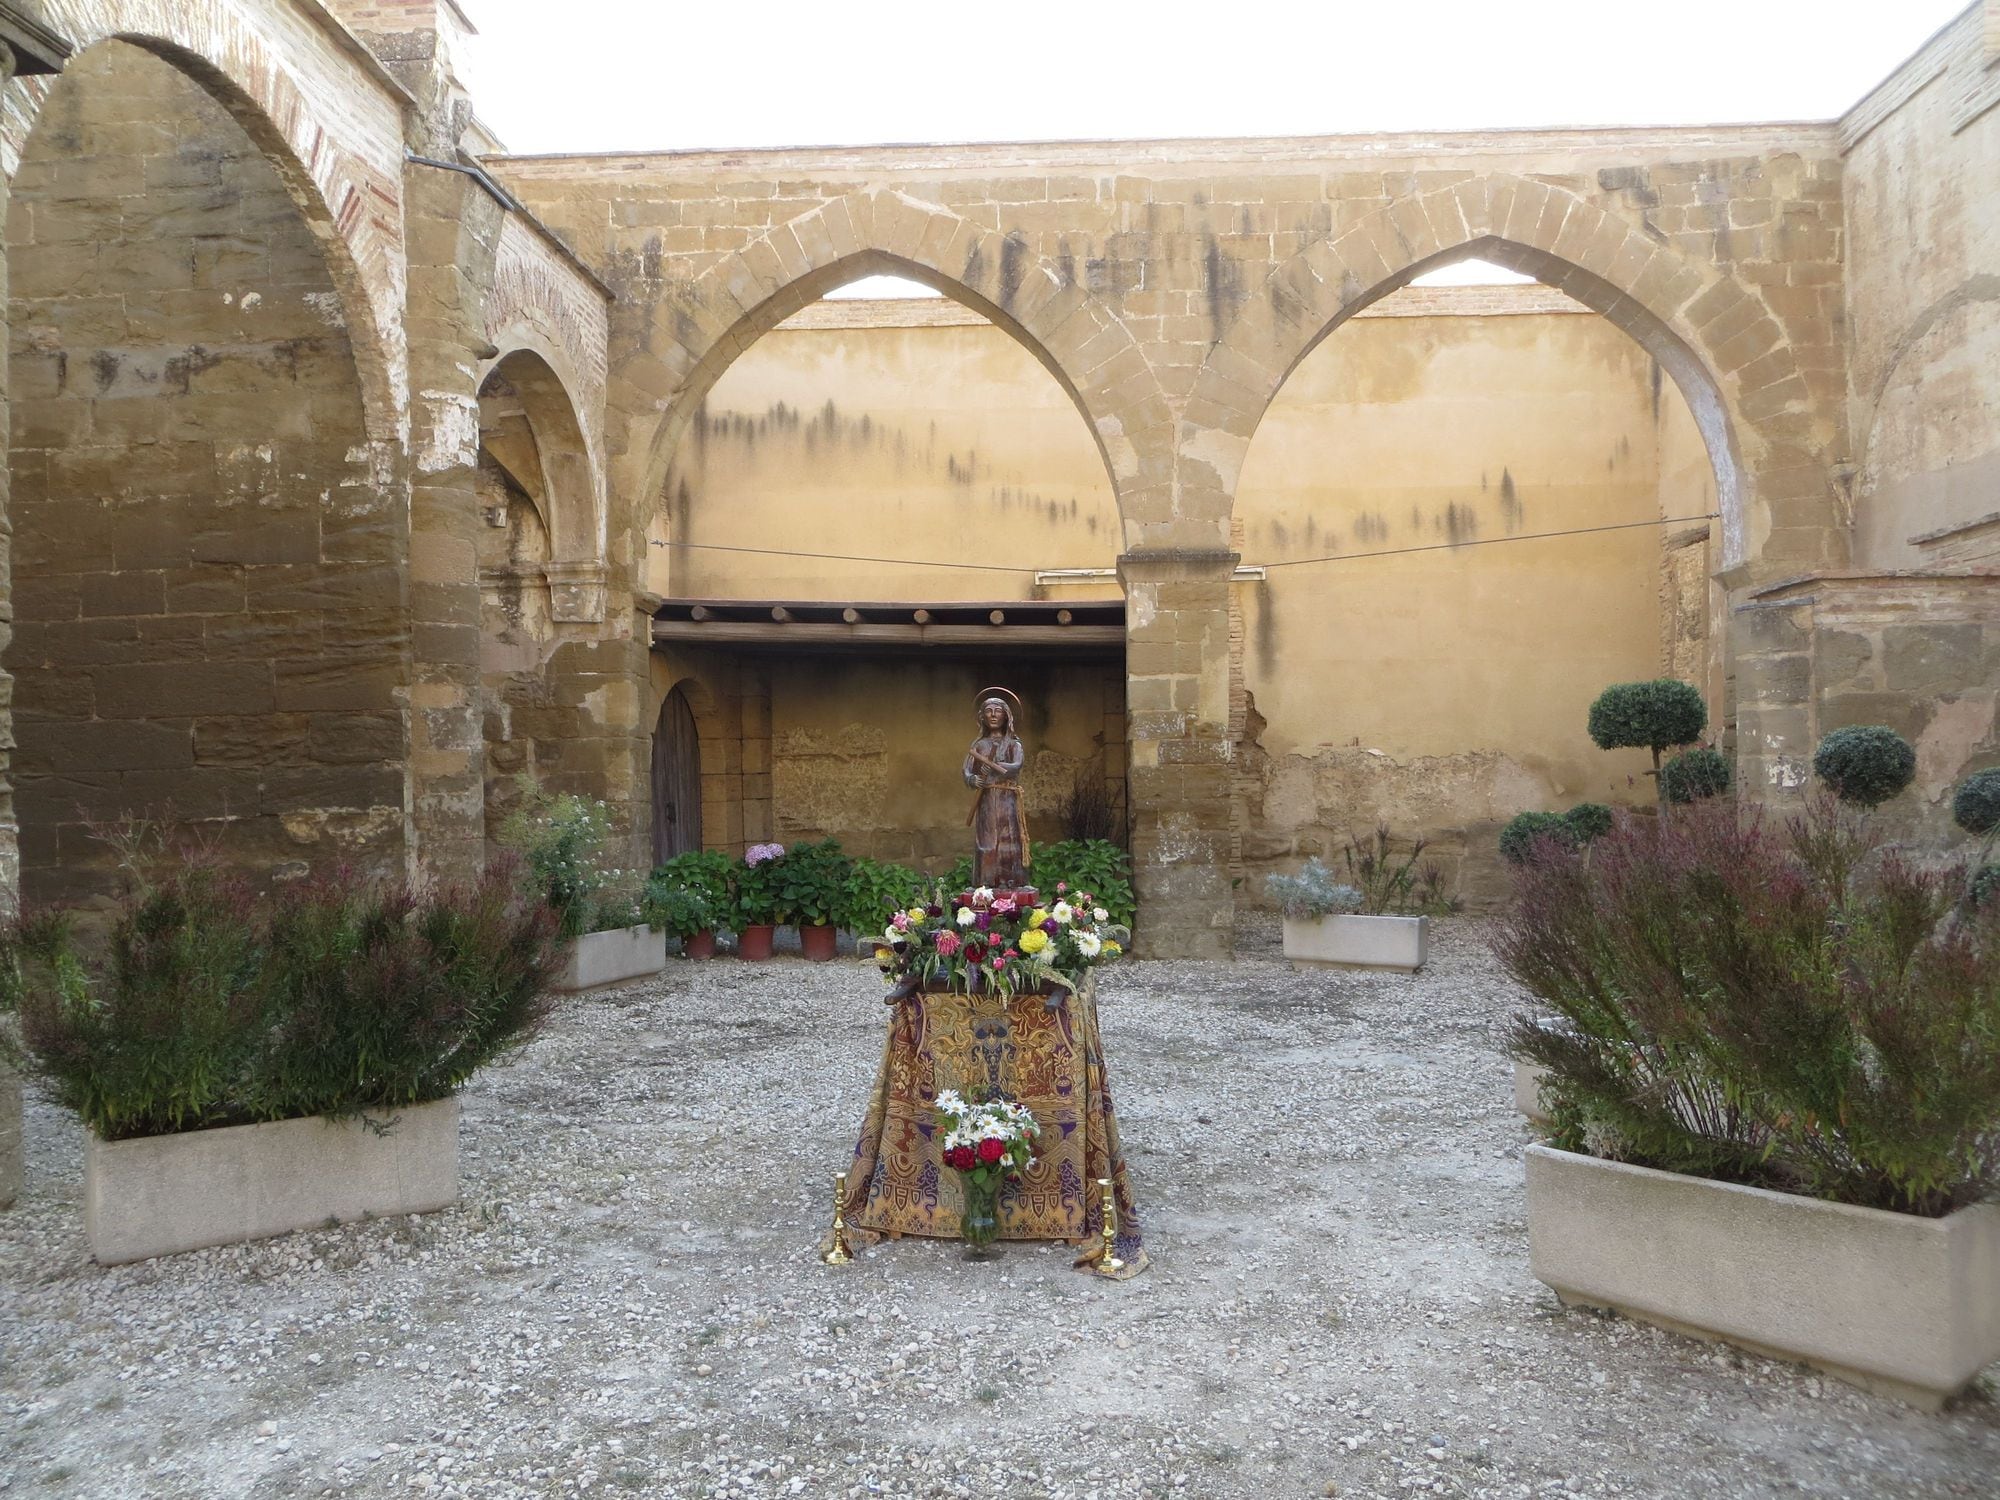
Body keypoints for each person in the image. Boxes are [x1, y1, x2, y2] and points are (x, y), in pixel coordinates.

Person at [964, 689, 1030, 889]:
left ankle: (1012, 880)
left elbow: (1016, 766)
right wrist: (974, 779)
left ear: (1006, 715)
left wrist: (994, 765)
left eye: (997, 711)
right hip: (986, 800)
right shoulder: (978, 745)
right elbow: (966, 771)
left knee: (1009, 838)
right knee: (987, 840)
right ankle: (985, 883)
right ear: (982, 717)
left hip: (1007, 799)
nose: (993, 715)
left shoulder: (1013, 744)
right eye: (988, 711)